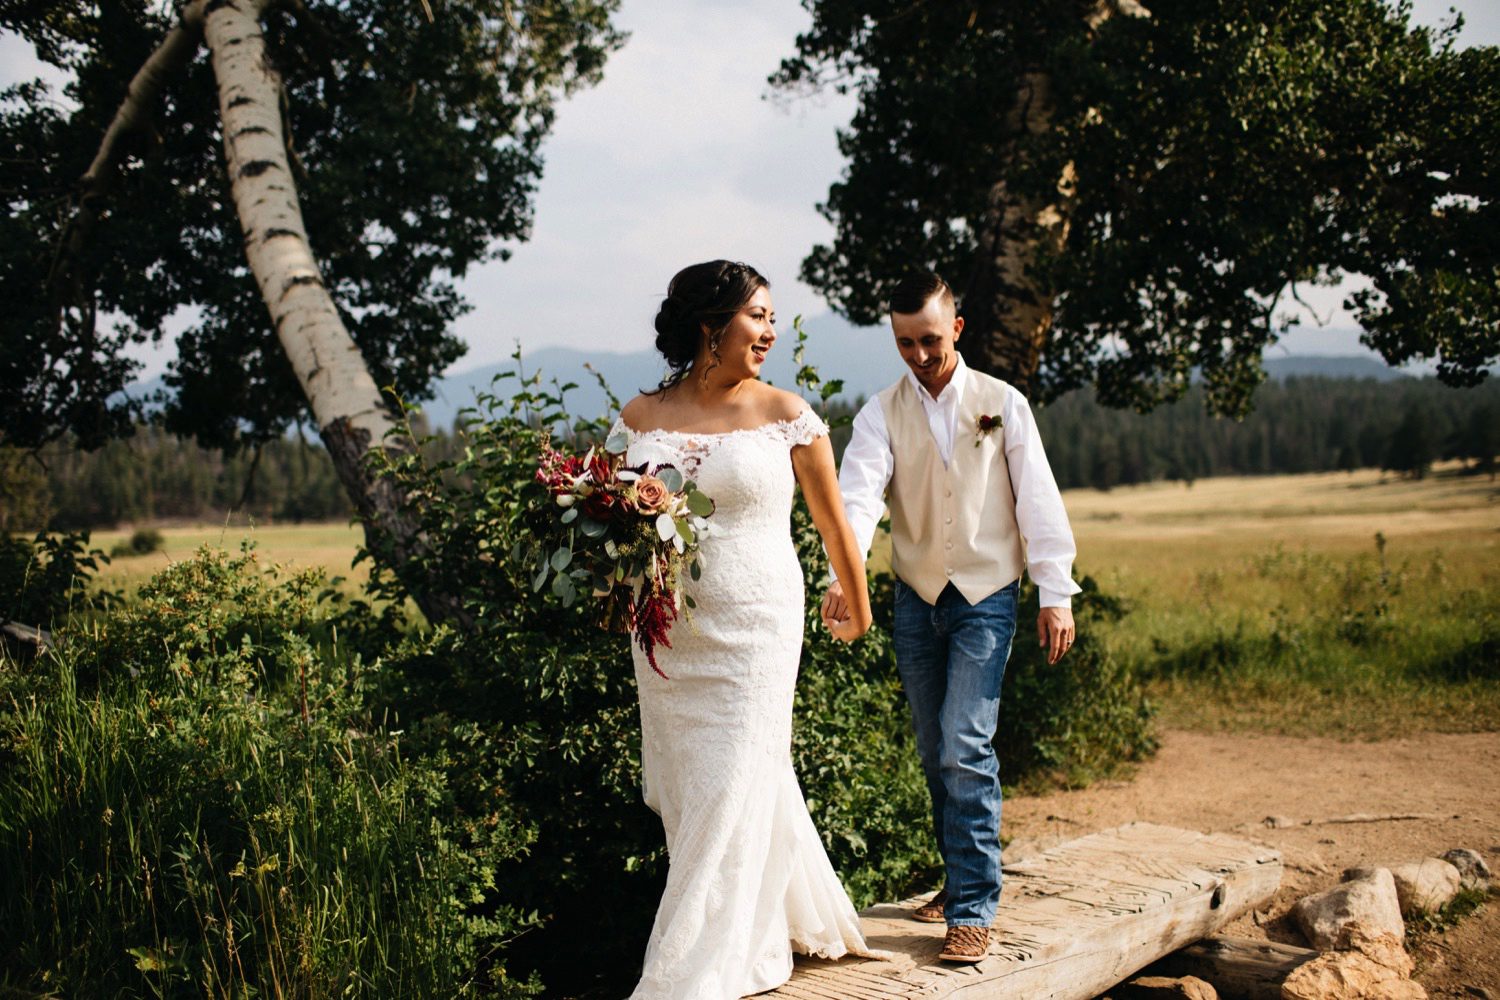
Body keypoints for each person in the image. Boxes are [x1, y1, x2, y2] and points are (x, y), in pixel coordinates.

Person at [613, 260, 881, 998]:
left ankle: (691, 974)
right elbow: (608, 520)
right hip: (666, 630)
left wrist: (857, 605)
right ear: (710, 324)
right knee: (693, 789)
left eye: (771, 317)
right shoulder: (638, 417)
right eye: (756, 316)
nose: (769, 331)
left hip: (757, 622)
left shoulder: (786, 414)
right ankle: (757, 931)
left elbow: (834, 527)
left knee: (732, 779)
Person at [821, 271, 1080, 964]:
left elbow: (1038, 499)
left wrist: (1055, 592)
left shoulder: (1003, 403)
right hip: (916, 599)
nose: (918, 354)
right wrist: (841, 576)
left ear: (956, 329)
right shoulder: (880, 413)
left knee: (966, 745)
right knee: (938, 754)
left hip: (987, 596)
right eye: (905, 342)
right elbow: (856, 501)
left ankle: (972, 908)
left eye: (930, 339)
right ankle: (959, 877)